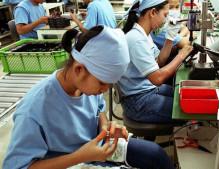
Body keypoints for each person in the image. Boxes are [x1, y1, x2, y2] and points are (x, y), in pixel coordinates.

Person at [2, 25, 175, 169]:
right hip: (69, 162)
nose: (105, 89)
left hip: (94, 151)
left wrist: (106, 126)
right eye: (102, 83)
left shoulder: (85, 86)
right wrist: (79, 157)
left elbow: (98, 109)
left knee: (156, 155)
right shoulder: (34, 110)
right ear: (79, 69)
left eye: (110, 84)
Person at [118, 0, 193, 123]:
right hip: (138, 100)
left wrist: (169, 39)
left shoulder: (144, 35)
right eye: (165, 15)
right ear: (153, 12)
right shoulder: (136, 39)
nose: (166, 20)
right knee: (187, 109)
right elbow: (157, 79)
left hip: (147, 89)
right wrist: (181, 55)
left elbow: (159, 63)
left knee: (182, 95)